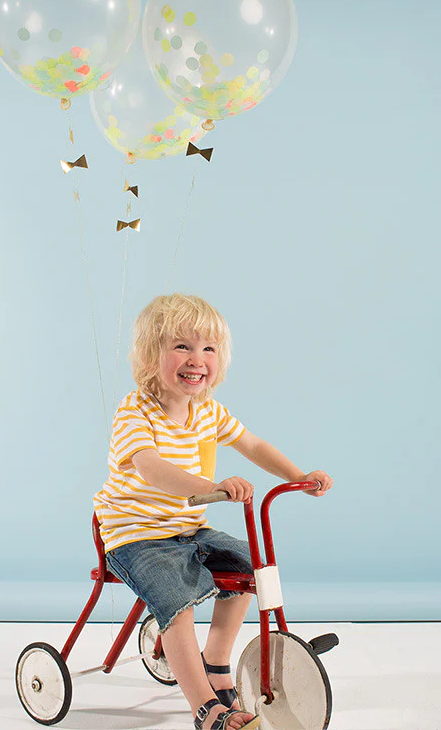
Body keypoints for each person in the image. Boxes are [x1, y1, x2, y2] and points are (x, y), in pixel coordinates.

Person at [94, 294, 333, 730]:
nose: (197, 359)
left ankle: (216, 662)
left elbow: (252, 445)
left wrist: (298, 475)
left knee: (249, 563)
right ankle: (205, 707)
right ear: (150, 357)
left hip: (188, 529)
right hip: (135, 534)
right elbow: (151, 468)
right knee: (175, 594)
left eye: (208, 348)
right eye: (181, 346)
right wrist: (211, 487)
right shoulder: (135, 412)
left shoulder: (208, 410)